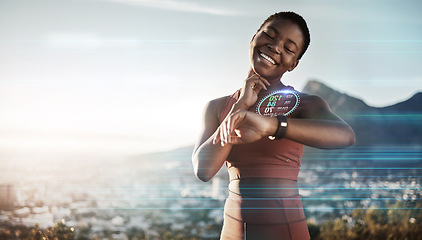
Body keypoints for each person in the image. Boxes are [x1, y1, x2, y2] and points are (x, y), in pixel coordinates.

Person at [192, 11, 355, 240]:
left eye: (289, 48)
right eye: (269, 35)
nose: (275, 47)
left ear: (293, 64)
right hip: (231, 233)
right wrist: (240, 107)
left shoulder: (304, 104)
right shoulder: (217, 107)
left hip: (286, 232)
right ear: (254, 38)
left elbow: (345, 135)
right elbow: (204, 170)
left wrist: (271, 126)